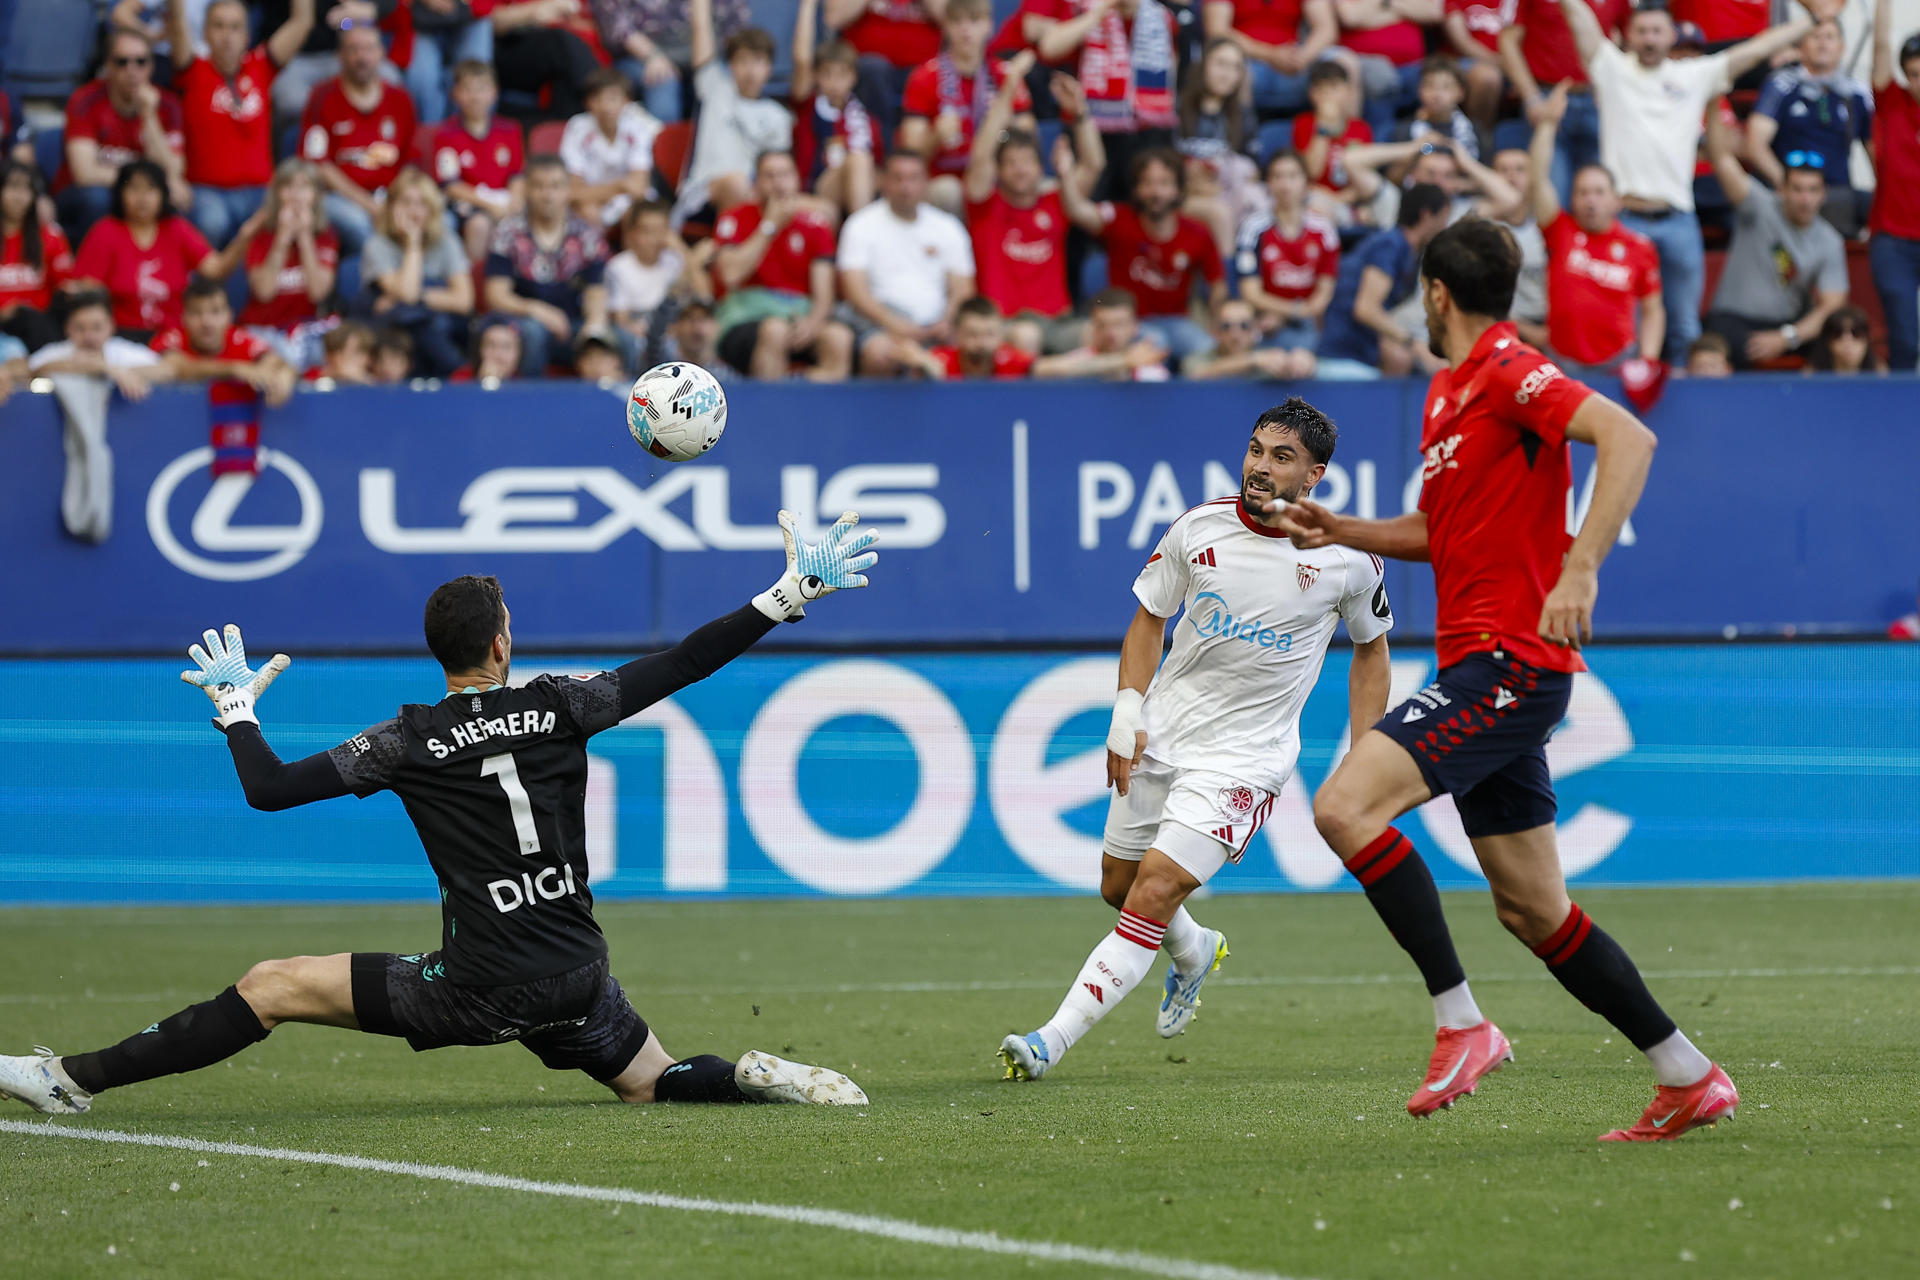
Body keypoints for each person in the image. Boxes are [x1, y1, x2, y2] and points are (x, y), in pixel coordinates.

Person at [0, 521, 884, 1118]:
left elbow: (267, 790)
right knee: (653, 1081)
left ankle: (65, 1079)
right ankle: (745, 1075)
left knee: (271, 984)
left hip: (480, 985)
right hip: (577, 969)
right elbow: (685, 661)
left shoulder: (405, 740)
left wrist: (236, 711)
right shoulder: (561, 704)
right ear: (501, 644)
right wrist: (785, 593)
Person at [1272, 216, 1738, 1144]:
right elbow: (1442, 535)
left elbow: (1629, 439)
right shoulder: (1447, 393)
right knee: (1532, 908)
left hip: (1511, 663)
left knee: (1343, 809)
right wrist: (1342, 531)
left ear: (1434, 293)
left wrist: (1582, 566)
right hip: (1480, 666)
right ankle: (1687, 1075)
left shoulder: (1507, 368)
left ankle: (1462, 1022)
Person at [997, 397, 1392, 1083]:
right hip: (1166, 732)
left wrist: (1367, 754)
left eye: (1281, 457)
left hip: (1248, 756)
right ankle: (1194, 950)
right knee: (1118, 886)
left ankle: (1047, 1043)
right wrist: (1127, 704)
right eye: (1256, 449)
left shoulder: (1348, 559)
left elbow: (1372, 651)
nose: (1260, 467)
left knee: (1153, 889)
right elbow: (1151, 617)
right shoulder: (1198, 528)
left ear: (1315, 475)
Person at [1557, 0, 1839, 363]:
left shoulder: (1694, 75)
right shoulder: (1612, 68)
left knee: (1685, 328)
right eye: (1642, 31)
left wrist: (1814, 20)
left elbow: (1757, 49)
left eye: (1657, 31)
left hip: (1678, 218)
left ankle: (1679, 414)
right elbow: (1580, 20)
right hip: (1624, 220)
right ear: (1629, 34)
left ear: (1671, 34)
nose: (1649, 39)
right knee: (1624, 326)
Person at [963, 54, 1104, 356]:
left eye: (1027, 162)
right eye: (1011, 163)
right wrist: (1009, 90)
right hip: (1006, 323)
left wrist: (1079, 113)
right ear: (998, 172)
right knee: (1026, 337)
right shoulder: (985, 207)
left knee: (1102, 335)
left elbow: (1093, 165)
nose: (1020, 170)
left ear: (1041, 169)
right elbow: (981, 156)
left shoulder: (1056, 203)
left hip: (1058, 321)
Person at [1700, 104, 1847, 370]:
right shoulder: (1759, 204)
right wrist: (1713, 103)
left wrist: (1787, 337)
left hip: (1787, 324)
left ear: (1823, 194)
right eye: (1798, 189)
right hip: (1732, 320)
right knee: (1713, 350)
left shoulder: (1829, 240)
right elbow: (1721, 158)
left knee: (1841, 339)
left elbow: (1832, 306)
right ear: (1782, 190)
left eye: (1813, 190)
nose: (1805, 199)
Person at [1528, 87, 1663, 370]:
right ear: (1573, 199)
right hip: (1562, 363)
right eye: (1583, 192)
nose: (1591, 200)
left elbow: (1652, 310)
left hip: (1618, 363)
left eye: (1599, 192)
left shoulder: (1639, 247)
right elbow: (1538, 180)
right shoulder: (1559, 229)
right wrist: (1548, 125)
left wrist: (1648, 359)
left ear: (1617, 200)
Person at [1060, 147, 1227, 366]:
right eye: (1147, 183)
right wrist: (1065, 173)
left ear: (1177, 189)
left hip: (1177, 322)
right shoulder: (1119, 220)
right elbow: (1077, 211)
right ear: (1137, 189)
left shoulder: (1198, 234)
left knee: (1207, 348)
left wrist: (1215, 322)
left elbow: (1217, 284)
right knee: (1155, 343)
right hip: (1131, 324)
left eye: (1164, 183)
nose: (1156, 192)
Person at [169, 0, 314, 249]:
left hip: (259, 191)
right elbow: (177, 22)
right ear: (204, 32)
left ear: (247, 35)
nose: (227, 35)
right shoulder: (192, 70)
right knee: (212, 222)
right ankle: (205, 286)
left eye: (236, 27)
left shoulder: (260, 66)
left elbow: (302, 22)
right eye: (219, 26)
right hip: (208, 192)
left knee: (291, 219)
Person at [711, 152, 853, 382]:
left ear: (798, 180)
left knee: (839, 337)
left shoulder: (816, 225)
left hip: (799, 315)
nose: (779, 183)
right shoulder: (734, 218)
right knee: (775, 330)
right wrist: (770, 226)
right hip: (745, 316)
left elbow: (824, 293)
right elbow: (730, 275)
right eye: (770, 176)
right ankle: (770, 411)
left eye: (785, 175)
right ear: (756, 183)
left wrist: (813, 323)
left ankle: (806, 396)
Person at [835, 150, 976, 377]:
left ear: (926, 182)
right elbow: (855, 291)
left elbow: (963, 288)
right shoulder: (861, 224)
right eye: (898, 178)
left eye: (913, 178)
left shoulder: (947, 227)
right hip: (880, 326)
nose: (906, 187)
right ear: (883, 181)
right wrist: (894, 324)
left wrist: (946, 320)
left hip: (938, 327)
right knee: (881, 354)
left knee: (979, 346)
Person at [483, 156, 619, 377]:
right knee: (534, 332)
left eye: (555, 187)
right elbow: (496, 295)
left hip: (573, 326)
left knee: (623, 341)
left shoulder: (586, 234)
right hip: (523, 324)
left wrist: (594, 326)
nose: (547, 195)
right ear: (527, 189)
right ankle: (531, 405)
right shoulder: (507, 233)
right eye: (539, 187)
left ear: (567, 190)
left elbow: (596, 289)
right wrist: (539, 311)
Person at [73, 159, 235, 339]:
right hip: (121, 338)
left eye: (150, 188)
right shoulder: (105, 231)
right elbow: (89, 293)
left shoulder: (176, 228)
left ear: (163, 194)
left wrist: (246, 234)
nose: (142, 197)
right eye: (133, 188)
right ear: (120, 193)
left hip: (173, 337)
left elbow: (216, 269)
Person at [1030, 0, 1181, 190]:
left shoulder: (1162, 18)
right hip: (1092, 128)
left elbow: (1171, 72)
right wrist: (1096, 14)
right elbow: (1049, 47)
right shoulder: (1085, 9)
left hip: (1146, 133)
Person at [900, 0, 1033, 214]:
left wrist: (1005, 130)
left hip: (996, 176)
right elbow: (911, 152)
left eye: (974, 20)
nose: (965, 30)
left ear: (989, 26)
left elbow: (1028, 139)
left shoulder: (1007, 75)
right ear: (946, 26)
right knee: (948, 191)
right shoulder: (924, 77)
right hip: (944, 178)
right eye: (957, 21)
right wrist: (935, 136)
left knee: (1037, 186)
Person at [57, 29, 189, 239]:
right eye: (122, 62)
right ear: (108, 66)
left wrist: (149, 116)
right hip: (84, 194)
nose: (132, 70)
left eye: (140, 62)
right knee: (98, 199)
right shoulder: (84, 100)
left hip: (133, 188)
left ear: (151, 66)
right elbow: (85, 173)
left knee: (180, 200)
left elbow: (173, 169)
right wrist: (144, 184)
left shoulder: (168, 105)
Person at [300, 23, 419, 256]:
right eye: (353, 49)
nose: (361, 57)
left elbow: (410, 161)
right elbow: (319, 165)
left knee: (438, 219)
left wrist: (396, 203)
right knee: (358, 224)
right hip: (340, 198)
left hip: (391, 196)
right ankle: (384, 284)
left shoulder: (400, 99)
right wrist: (370, 206)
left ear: (381, 53)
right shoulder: (322, 97)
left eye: (368, 49)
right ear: (340, 55)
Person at [1748, 16, 1872, 237]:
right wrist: (1787, 185)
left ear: (1842, 46)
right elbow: (1755, 143)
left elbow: (1877, 153)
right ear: (1801, 46)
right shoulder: (1781, 84)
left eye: (1830, 37)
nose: (1822, 43)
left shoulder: (1856, 93)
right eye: (1815, 36)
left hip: (1836, 193)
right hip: (1787, 192)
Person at [1497, 0, 1625, 212]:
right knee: (1552, 196)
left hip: (1597, 98)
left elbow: (1626, 40)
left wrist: (1615, 91)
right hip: (1548, 95)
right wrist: (1531, 97)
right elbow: (1508, 41)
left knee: (1600, 197)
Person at [1313, 181, 1449, 378]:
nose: (1445, 227)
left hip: (1360, 351)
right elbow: (1366, 309)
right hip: (1344, 359)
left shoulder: (1405, 251)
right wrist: (1415, 345)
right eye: (1443, 218)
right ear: (1426, 215)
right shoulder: (1390, 245)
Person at [676, 0, 793, 226]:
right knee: (737, 185)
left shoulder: (778, 116)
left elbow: (778, 169)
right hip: (704, 193)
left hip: (759, 193)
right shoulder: (714, 89)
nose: (750, 70)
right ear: (730, 66)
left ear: (769, 67)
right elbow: (701, 27)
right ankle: (729, 250)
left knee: (820, 208)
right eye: (742, 61)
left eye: (758, 61)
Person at [366, 167, 475, 378]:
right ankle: (458, 371)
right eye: (406, 203)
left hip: (436, 324)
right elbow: (407, 294)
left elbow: (464, 300)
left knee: (419, 318)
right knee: (411, 321)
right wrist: (413, 244)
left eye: (421, 204)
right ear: (391, 207)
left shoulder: (447, 242)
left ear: (432, 209)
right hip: (391, 330)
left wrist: (420, 298)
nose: (413, 211)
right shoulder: (377, 245)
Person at [1234, 150, 1340, 351]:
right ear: (1269, 183)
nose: (1285, 185)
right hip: (1264, 318)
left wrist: (1294, 313)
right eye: (1277, 176)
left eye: (1292, 176)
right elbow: (1250, 293)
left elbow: (1324, 293)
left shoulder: (1324, 229)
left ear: (1306, 183)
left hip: (1309, 319)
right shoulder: (1252, 228)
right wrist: (1292, 310)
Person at [431, 60, 527, 268]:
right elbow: (451, 186)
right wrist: (491, 206)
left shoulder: (510, 129)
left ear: (494, 93)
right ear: (455, 94)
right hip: (469, 205)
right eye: (468, 89)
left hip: (505, 201)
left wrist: (516, 202)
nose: (475, 97)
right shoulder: (446, 134)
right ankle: (474, 288)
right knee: (479, 225)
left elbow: (517, 176)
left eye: (482, 89)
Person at [151, 275, 297, 407]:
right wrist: (235, 370)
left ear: (229, 315)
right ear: (183, 317)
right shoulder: (172, 338)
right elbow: (178, 368)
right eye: (196, 312)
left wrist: (284, 375)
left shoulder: (241, 339)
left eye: (215, 312)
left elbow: (274, 362)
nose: (206, 322)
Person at [261, 0, 400, 137]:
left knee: (390, 80)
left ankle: (365, 146)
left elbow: (389, 4)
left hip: (344, 52)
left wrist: (367, 10)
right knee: (293, 101)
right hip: (296, 57)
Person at [1869, 0, 1920, 373]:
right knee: (1904, 339)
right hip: (1894, 240)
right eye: (1914, 74)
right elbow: (1881, 45)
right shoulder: (1892, 103)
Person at [792, 0, 880, 215]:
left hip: (858, 189)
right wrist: (808, 5)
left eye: (841, 75)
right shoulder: (808, 106)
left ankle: (862, 232)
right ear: (816, 76)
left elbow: (878, 169)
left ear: (854, 77)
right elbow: (802, 58)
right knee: (858, 160)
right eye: (827, 74)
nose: (834, 83)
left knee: (861, 161)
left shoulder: (866, 120)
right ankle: (864, 236)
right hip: (815, 191)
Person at [1177, 37, 1262, 258]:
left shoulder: (1243, 116)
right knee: (1220, 212)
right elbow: (1159, 162)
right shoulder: (1177, 107)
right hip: (1183, 195)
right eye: (1220, 64)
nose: (1227, 74)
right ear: (1203, 64)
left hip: (1227, 192)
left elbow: (1253, 170)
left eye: (1235, 67)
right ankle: (1228, 282)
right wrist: (1191, 181)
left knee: (1255, 201)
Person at [830, 0, 941, 146]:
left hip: (924, 68)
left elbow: (950, 18)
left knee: (928, 76)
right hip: (869, 70)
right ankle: (880, 149)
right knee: (874, 69)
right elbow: (834, 18)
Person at [561, 67, 662, 228]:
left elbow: (638, 186)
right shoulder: (577, 128)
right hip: (590, 202)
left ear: (626, 101)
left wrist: (602, 192)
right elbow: (573, 191)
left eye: (613, 98)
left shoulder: (638, 126)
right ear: (587, 102)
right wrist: (619, 186)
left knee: (645, 213)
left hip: (622, 199)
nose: (606, 106)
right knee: (587, 211)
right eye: (598, 99)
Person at [27, 288, 172, 400]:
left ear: (111, 326)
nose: (89, 336)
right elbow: (33, 371)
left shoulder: (121, 350)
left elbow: (166, 371)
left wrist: (120, 371)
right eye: (80, 328)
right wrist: (106, 369)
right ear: (67, 328)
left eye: (97, 327)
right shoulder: (57, 352)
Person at [1202, 0, 1340, 116]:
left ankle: (1343, 141)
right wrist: (1270, 55)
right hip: (1248, 60)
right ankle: (1241, 141)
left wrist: (1303, 56)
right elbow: (1218, 31)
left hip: (1293, 62)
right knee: (1234, 70)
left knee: (1341, 61)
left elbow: (1326, 28)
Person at [488, 0, 605, 125]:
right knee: (560, 42)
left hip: (574, 60)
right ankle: (603, 100)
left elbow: (593, 23)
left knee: (568, 79)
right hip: (516, 50)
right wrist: (535, 10)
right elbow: (492, 21)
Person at [0, 159, 73, 352]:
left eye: (27, 189)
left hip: (39, 324)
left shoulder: (51, 237)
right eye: (12, 187)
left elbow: (64, 288)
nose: (20, 197)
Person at [1336, 0, 1435, 138]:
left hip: (1415, 65)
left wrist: (1381, 7)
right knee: (1380, 77)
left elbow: (1435, 11)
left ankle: (1438, 145)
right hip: (1366, 64)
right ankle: (1378, 144)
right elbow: (1351, 17)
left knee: (1439, 78)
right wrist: (1402, 12)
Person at [1031, 287, 1170, 379]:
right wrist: (1124, 361)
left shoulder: (1153, 374)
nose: (1111, 333)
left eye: (1119, 324)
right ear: (1092, 327)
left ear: (1135, 326)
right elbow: (1038, 370)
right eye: (1102, 325)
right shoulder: (1074, 363)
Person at [606, 199, 692, 347]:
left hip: (671, 333)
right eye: (647, 231)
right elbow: (620, 320)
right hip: (636, 335)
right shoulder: (618, 267)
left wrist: (681, 248)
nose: (653, 239)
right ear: (632, 233)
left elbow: (705, 294)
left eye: (660, 231)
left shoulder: (675, 261)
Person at [1292, 60, 1372, 216]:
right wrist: (1323, 126)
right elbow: (1311, 172)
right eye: (1321, 89)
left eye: (1334, 87)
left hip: (1350, 200)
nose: (1327, 95)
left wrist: (1339, 199)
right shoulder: (1303, 124)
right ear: (1311, 94)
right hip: (1315, 197)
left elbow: (1365, 176)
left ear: (1348, 91)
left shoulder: (1361, 128)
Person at [406, 1, 496, 126]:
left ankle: (466, 136)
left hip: (470, 15)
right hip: (420, 19)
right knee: (423, 79)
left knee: (475, 78)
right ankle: (430, 136)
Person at [1185, 297, 1317, 378]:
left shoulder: (1268, 361)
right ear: (1215, 331)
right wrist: (1253, 360)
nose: (1235, 334)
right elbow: (1195, 375)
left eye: (1244, 326)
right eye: (1226, 326)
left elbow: (1290, 371)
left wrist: (1303, 364)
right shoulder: (1198, 359)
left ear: (1255, 329)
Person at [1441, 0, 1514, 131]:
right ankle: (1479, 136)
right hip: (1467, 61)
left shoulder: (1511, 2)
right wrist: (1502, 63)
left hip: (1509, 63)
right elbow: (1462, 41)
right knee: (1487, 77)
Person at [1392, 57, 1481, 161]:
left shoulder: (1474, 130)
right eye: (1430, 86)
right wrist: (1414, 148)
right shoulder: (1404, 129)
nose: (1437, 94)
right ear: (1419, 90)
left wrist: (1464, 161)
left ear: (1461, 93)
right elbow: (1393, 176)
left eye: (1446, 87)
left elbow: (1490, 173)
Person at [924, 295, 1034, 378]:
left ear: (1000, 334)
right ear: (957, 334)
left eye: (989, 334)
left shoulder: (1010, 360)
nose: (981, 343)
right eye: (972, 334)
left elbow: (1040, 367)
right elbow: (926, 365)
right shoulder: (941, 361)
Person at [1803, 305, 1883, 374]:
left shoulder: (1879, 371)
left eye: (1856, 333)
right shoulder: (1812, 373)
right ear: (1827, 341)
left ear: (1868, 339)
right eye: (1838, 333)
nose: (1847, 341)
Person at [310, 319, 375, 383]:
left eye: (366, 354)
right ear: (336, 355)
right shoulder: (313, 382)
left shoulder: (374, 383)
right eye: (357, 352)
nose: (366, 361)